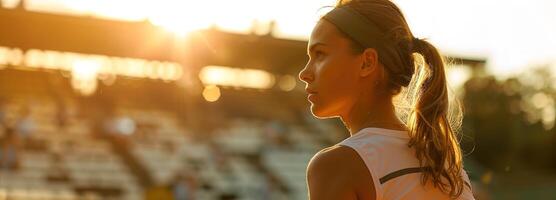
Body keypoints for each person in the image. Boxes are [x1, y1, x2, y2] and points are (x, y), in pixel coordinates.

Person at [298, 0, 475, 199]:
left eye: (320, 54)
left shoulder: (337, 165)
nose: (304, 73)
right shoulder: (446, 166)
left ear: (367, 62)